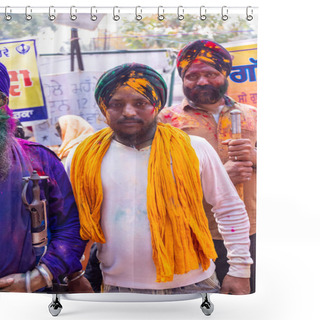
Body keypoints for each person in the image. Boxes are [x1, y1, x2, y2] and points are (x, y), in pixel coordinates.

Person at [66, 62, 252, 295]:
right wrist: (73, 274)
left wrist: (239, 270)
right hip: (119, 288)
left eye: (140, 102)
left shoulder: (194, 148)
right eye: (116, 104)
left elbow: (229, 208)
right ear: (104, 107)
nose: (128, 112)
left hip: (196, 284)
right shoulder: (82, 156)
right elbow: (65, 220)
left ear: (156, 105)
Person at [158, 40, 257, 292]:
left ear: (225, 75)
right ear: (182, 79)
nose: (202, 81)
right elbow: (158, 181)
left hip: (256, 230)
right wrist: (221, 176)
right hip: (196, 232)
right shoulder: (165, 121)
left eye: (211, 73)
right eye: (192, 75)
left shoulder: (254, 114)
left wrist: (255, 156)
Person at [0, 62, 93, 293]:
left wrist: (40, 277)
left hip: (30, 299)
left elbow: (70, 225)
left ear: (6, 106)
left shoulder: (39, 160)